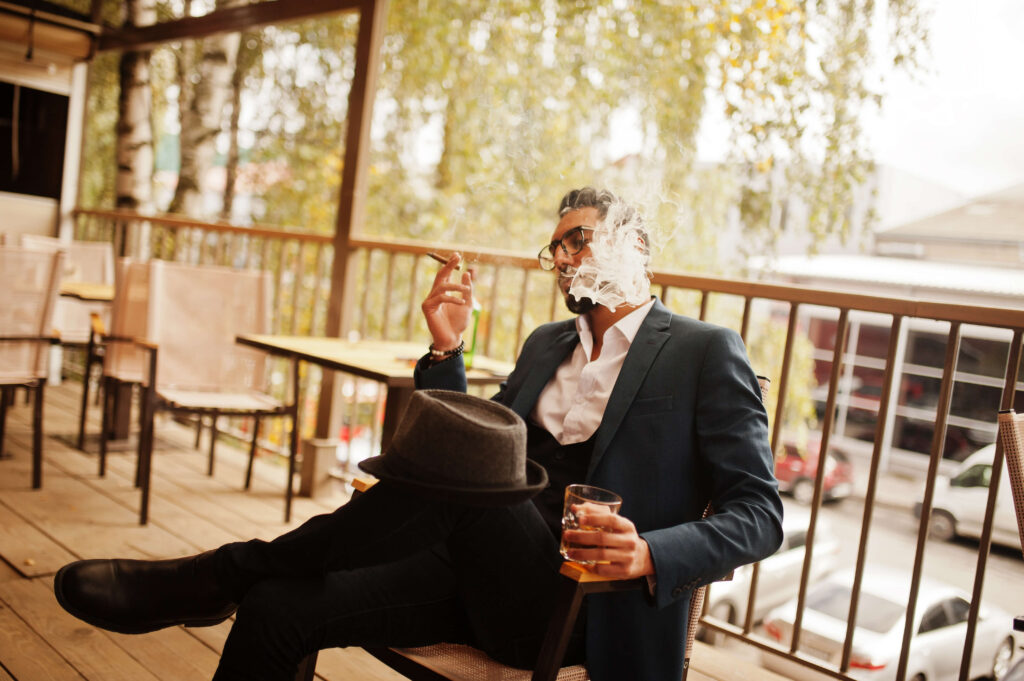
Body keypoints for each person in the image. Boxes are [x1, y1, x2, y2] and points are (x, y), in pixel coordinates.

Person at [52, 187, 783, 681]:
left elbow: (761, 513)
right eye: (554, 249)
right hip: (468, 570)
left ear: (636, 242)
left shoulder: (702, 349)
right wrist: (444, 352)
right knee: (280, 606)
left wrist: (650, 552)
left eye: (579, 241)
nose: (562, 261)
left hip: (576, 604)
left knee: (475, 483)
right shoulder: (545, 342)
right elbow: (470, 440)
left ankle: (214, 575)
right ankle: (241, 578)